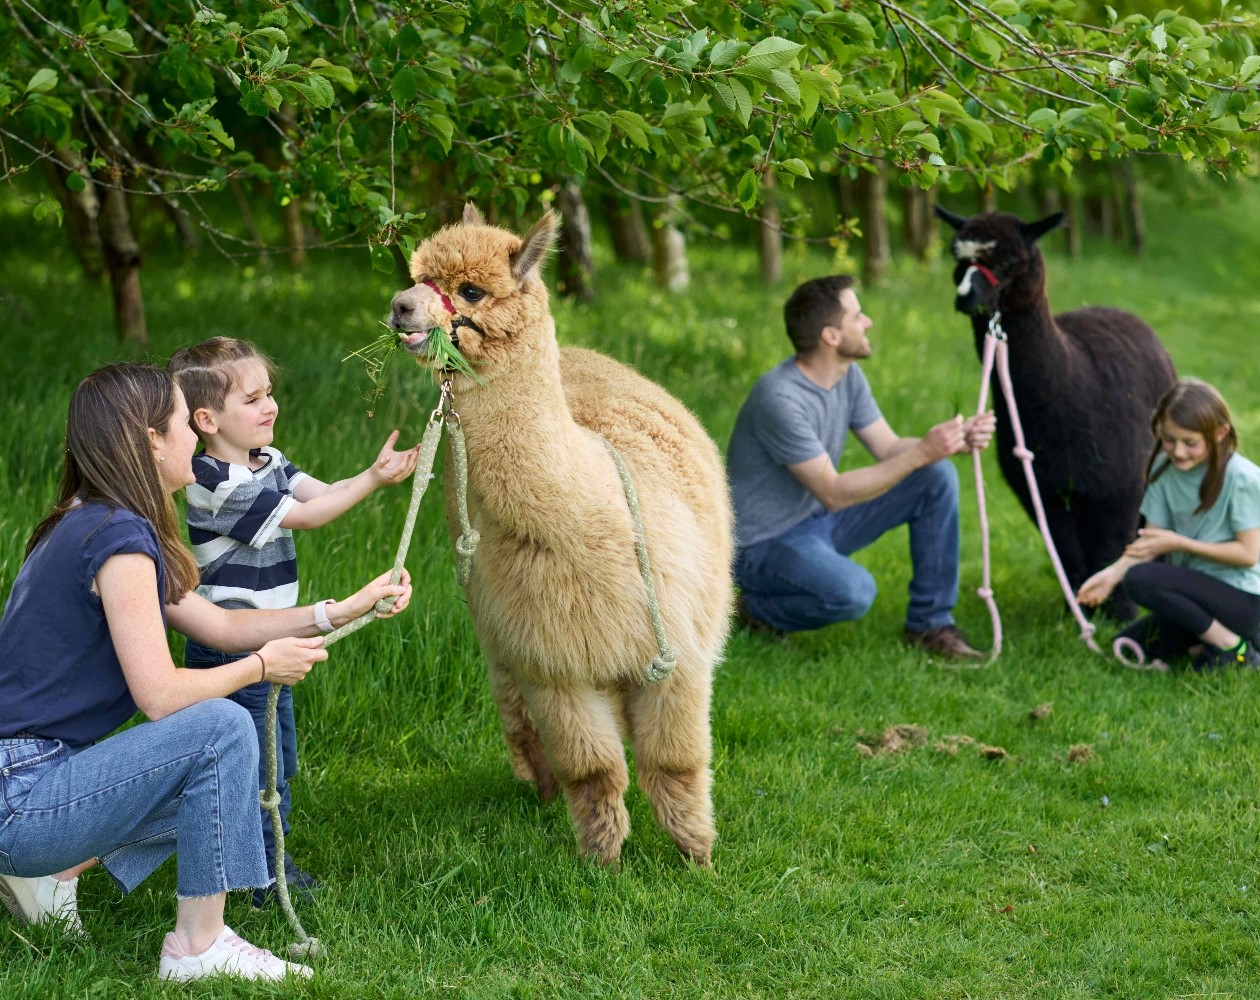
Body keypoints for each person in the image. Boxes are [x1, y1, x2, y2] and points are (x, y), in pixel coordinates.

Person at [0, 363, 413, 981]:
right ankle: (199, 945)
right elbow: (162, 696)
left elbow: (219, 626)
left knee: (226, 778)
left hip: (26, 785)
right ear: (151, 442)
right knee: (220, 728)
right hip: (22, 796)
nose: (194, 435)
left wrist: (342, 609)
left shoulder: (92, 519)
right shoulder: (118, 539)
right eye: (179, 422)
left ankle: (51, 874)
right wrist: (258, 669)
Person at [167, 337, 419, 908]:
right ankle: (255, 876)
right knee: (255, 770)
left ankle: (258, 855)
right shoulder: (215, 482)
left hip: (273, 639)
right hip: (233, 648)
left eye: (270, 393)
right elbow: (306, 516)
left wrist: (372, 473)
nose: (270, 406)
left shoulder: (267, 461)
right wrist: (373, 483)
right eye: (253, 399)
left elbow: (323, 494)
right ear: (207, 419)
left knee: (281, 757)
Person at [727, 274, 996, 659]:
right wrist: (922, 452)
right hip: (762, 544)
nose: (867, 322)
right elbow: (833, 492)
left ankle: (930, 625)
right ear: (831, 336)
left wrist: (949, 443)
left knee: (935, 476)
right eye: (857, 316)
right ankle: (753, 611)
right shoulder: (780, 399)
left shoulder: (846, 376)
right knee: (852, 593)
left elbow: (887, 447)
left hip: (816, 520)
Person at [1078, 379, 1260, 670]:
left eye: (1190, 443)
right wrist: (1111, 575)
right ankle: (1216, 642)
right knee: (1130, 644)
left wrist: (1178, 543)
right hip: (1198, 598)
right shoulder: (1165, 471)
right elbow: (1151, 541)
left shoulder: (1243, 479)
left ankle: (1232, 647)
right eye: (1168, 439)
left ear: (1220, 433)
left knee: (1141, 579)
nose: (1178, 451)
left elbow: (1248, 554)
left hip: (1244, 600)